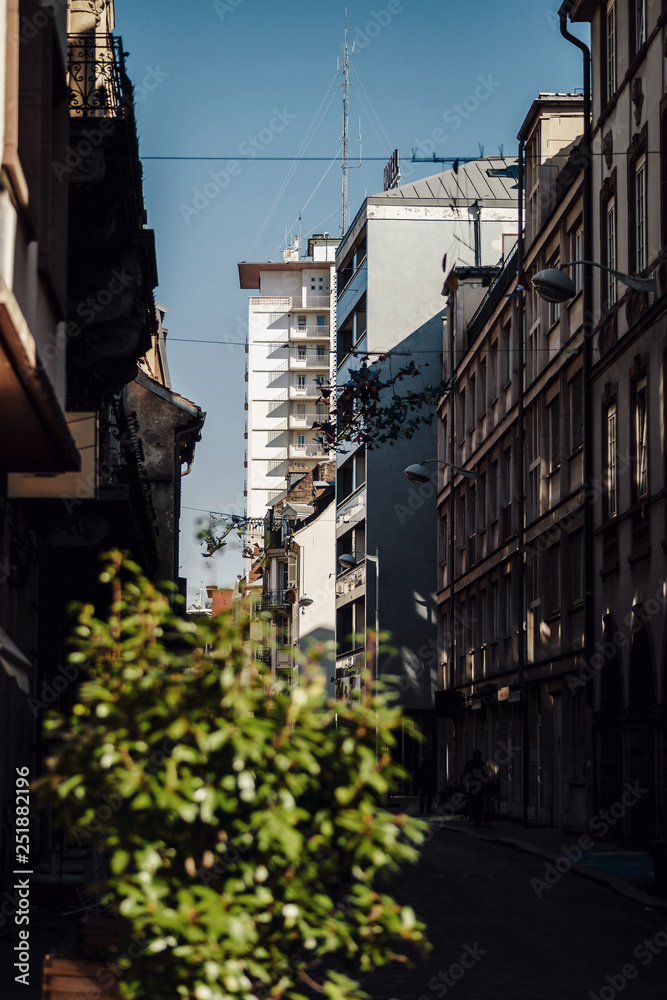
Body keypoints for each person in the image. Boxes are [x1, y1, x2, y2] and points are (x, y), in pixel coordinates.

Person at [461, 749, 490, 827]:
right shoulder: (483, 764)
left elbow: (464, 775)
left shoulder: (469, 764)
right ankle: (478, 820)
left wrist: (463, 786)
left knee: (474, 803)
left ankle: (476, 820)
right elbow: (486, 776)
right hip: (480, 787)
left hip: (472, 787)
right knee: (480, 804)